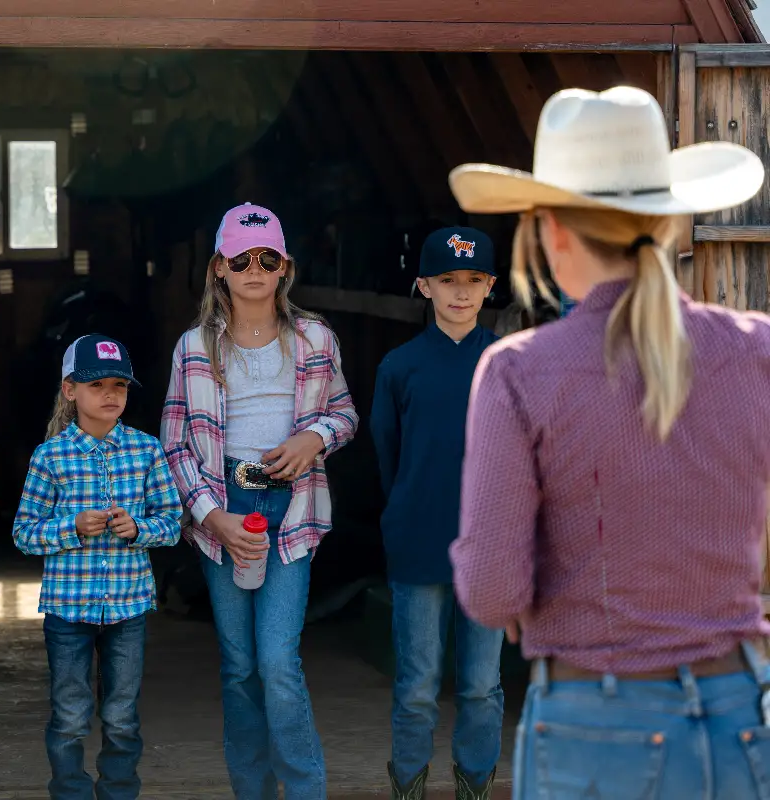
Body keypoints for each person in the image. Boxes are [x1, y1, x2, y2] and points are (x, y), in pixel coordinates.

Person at [447, 86, 768, 798]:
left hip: (597, 718)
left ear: (551, 231)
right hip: (743, 711)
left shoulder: (519, 371)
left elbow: (493, 591)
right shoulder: (756, 352)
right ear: (669, 222)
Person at [160, 203, 358, 799]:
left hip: (292, 511)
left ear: (284, 268)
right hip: (222, 508)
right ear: (219, 267)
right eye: (241, 259)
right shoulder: (193, 347)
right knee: (240, 667)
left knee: (277, 663)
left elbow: (344, 414)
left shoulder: (317, 338)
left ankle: (303, 791)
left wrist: (312, 437)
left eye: (267, 258)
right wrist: (210, 516)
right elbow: (173, 446)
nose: (254, 269)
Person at [13, 334, 181, 800]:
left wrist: (138, 529)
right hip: (69, 609)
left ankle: (119, 793)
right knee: (69, 714)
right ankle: (70, 792)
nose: (110, 395)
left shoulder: (146, 451)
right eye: (96, 385)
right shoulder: (50, 457)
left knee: (121, 713)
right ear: (70, 391)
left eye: (119, 386)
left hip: (128, 608)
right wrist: (72, 527)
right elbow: (24, 533)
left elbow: (172, 523)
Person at [369, 227, 504, 800]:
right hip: (420, 540)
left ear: (490, 286)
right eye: (447, 280)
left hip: (490, 548)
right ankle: (410, 783)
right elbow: (386, 450)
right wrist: (408, 510)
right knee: (418, 684)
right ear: (423, 285)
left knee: (479, 684)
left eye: (473, 280)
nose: (460, 292)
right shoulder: (399, 366)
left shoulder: (505, 362)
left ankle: (475, 783)